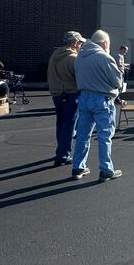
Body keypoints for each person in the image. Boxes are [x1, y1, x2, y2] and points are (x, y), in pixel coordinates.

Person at [72, 30, 123, 182]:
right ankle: (106, 169)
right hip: (102, 99)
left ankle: (78, 167)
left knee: (82, 135)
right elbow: (117, 82)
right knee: (104, 136)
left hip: (84, 97)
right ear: (104, 43)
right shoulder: (104, 57)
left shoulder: (80, 57)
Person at [47, 31, 85, 167]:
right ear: (74, 43)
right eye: (79, 42)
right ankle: (63, 154)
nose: (80, 45)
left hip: (57, 94)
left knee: (61, 123)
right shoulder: (73, 58)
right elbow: (79, 77)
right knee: (69, 125)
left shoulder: (54, 56)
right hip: (70, 94)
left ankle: (60, 150)